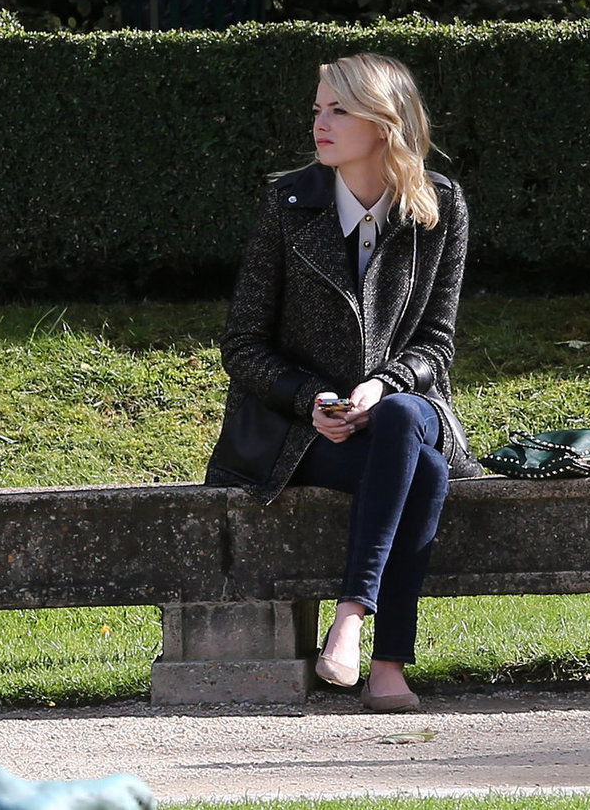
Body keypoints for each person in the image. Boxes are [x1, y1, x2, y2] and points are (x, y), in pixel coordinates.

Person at [205, 53, 479, 713]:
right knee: (426, 471)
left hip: (395, 417)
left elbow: (436, 344)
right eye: (318, 109)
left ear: (386, 123)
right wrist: (313, 400)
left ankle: (352, 616)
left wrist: (383, 384)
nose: (320, 123)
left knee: (405, 416)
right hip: (300, 435)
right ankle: (385, 665)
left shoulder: (439, 205)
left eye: (339, 110)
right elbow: (242, 344)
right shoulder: (290, 201)